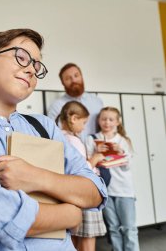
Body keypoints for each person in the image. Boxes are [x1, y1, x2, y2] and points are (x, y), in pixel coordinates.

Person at [0, 28, 107, 251]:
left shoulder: (45, 126)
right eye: (21, 57)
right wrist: (69, 213)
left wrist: (36, 177)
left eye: (36, 65)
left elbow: (95, 191)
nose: (31, 69)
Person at [86, 107, 139, 251]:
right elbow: (88, 165)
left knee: (129, 228)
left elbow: (127, 167)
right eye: (103, 119)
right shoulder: (92, 139)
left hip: (124, 190)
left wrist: (120, 153)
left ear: (117, 122)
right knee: (114, 228)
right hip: (105, 190)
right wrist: (98, 153)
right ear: (98, 120)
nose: (107, 122)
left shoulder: (122, 141)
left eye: (111, 119)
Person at [56, 101, 107, 251]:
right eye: (83, 122)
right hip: (85, 193)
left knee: (74, 239)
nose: (84, 127)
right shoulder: (74, 140)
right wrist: (95, 159)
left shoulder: (58, 136)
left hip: (70, 195)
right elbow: (81, 169)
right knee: (88, 241)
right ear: (73, 119)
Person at [47, 63, 103, 141]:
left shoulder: (97, 101)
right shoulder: (56, 106)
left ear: (82, 76)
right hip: (70, 151)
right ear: (63, 83)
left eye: (76, 75)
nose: (74, 80)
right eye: (68, 78)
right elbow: (53, 134)